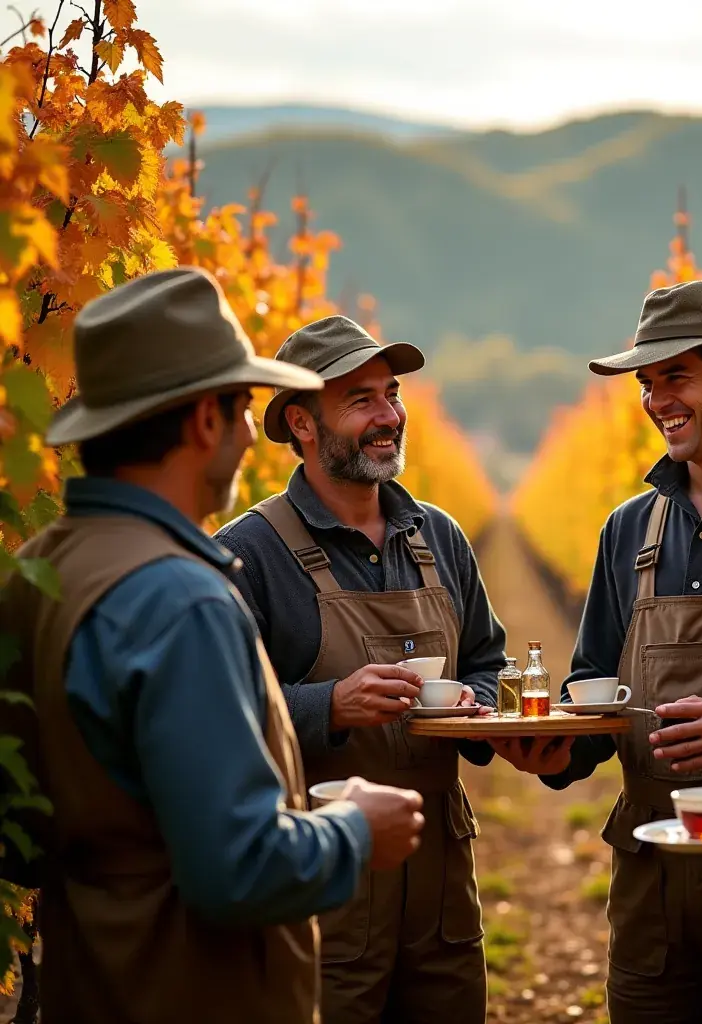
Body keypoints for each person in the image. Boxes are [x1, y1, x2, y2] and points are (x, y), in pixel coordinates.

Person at [0, 267, 427, 1024]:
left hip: (91, 982)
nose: (242, 436)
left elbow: (23, 838)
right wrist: (356, 826)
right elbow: (239, 868)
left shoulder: (44, 575)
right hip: (197, 992)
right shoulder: (182, 600)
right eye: (239, 410)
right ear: (204, 421)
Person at [490, 280, 702, 1023]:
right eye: (647, 382)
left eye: (676, 376)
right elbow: (595, 681)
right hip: (650, 881)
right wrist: (556, 751)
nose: (658, 399)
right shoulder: (628, 529)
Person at [215, 314, 507, 1024]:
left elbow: (486, 659)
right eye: (362, 400)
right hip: (322, 890)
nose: (389, 417)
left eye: (392, 393)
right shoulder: (247, 554)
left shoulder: (439, 536)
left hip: (441, 882)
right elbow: (217, 725)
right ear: (303, 425)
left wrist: (475, 708)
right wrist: (327, 707)